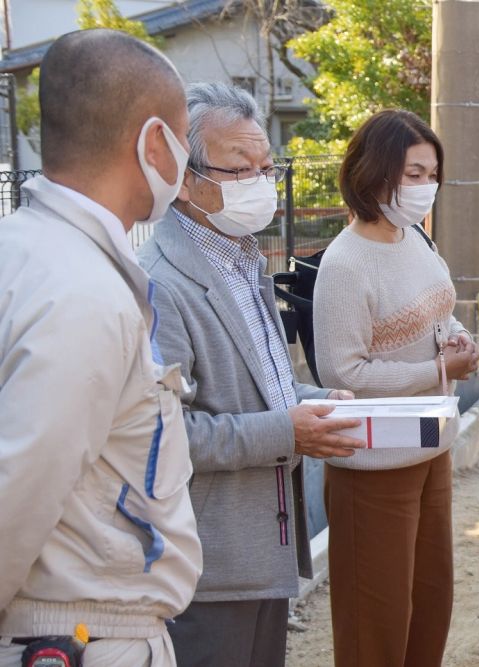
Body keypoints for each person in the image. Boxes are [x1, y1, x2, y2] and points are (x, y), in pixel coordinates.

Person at [137, 83, 365, 667]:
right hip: (207, 559)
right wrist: (288, 432)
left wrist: (317, 400)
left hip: (266, 545)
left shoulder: (242, 258)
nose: (261, 184)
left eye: (267, 167)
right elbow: (162, 434)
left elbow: (265, 387)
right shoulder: (161, 283)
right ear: (183, 178)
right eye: (241, 170)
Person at [0, 29, 202, 667]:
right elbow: (19, 487)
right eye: (184, 138)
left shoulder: (26, 251)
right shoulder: (84, 293)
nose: (187, 160)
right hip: (82, 633)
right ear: (151, 143)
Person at [312, 109, 479, 666]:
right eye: (412, 172)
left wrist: (457, 342)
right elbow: (344, 376)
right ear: (374, 172)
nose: (425, 185)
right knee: (375, 625)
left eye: (432, 172)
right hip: (373, 465)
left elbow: (439, 312)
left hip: (432, 446)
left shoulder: (415, 238)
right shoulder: (346, 264)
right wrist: (438, 372)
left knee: (430, 603)